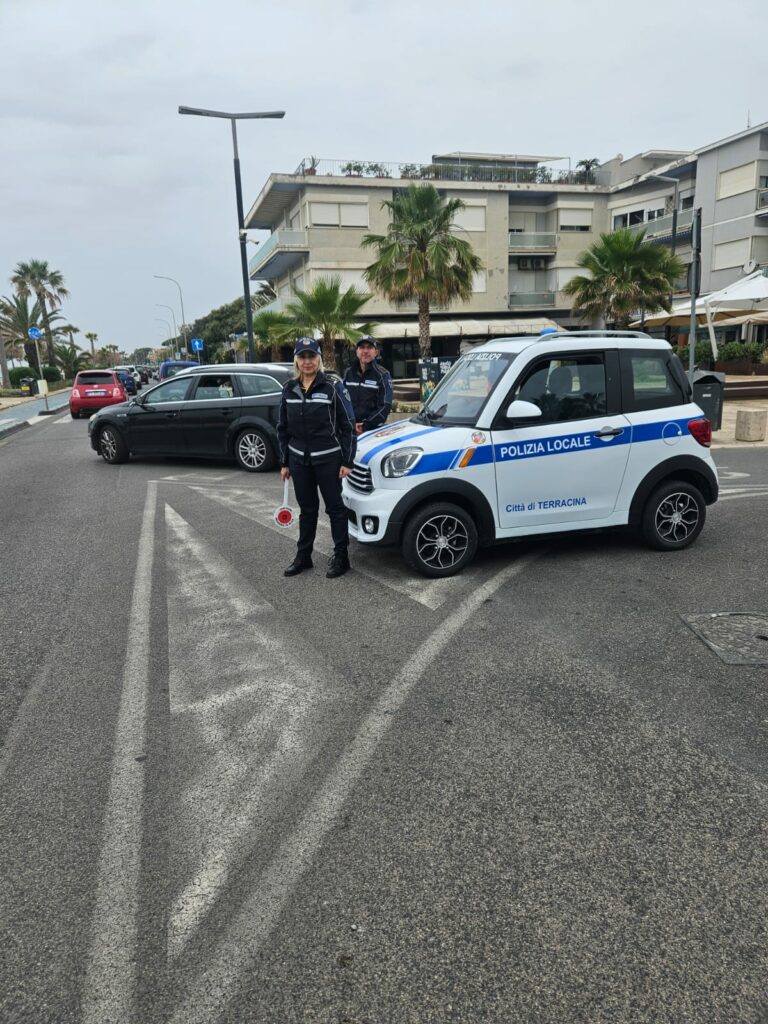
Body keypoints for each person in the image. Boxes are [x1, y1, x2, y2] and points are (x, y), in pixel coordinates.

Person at [277, 338, 357, 578]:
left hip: (329, 460)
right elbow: (282, 427)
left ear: (319, 359)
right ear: (296, 361)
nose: (307, 361)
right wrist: (284, 462)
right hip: (300, 461)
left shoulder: (332, 387)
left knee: (335, 509)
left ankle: (341, 557)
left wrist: (347, 461)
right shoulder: (289, 389)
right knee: (307, 510)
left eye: (312, 356)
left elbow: (348, 426)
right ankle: (304, 557)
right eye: (303, 357)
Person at [343, 336, 393, 435]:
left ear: (376, 352)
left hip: (373, 431)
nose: (365, 351)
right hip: (350, 429)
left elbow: (385, 406)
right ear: (357, 351)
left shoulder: (383, 375)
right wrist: (350, 423)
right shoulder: (349, 373)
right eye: (362, 347)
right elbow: (342, 402)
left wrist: (366, 425)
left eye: (369, 347)